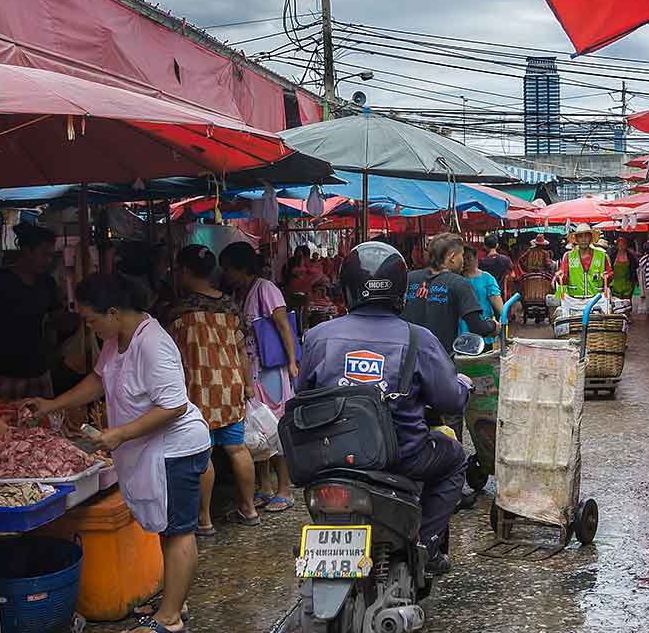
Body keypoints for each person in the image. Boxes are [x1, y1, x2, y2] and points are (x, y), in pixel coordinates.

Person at [26, 273, 213, 633]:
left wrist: (119, 434)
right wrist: (52, 404)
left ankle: (171, 616)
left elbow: (173, 405)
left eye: (92, 318)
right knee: (166, 527)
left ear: (113, 312)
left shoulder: (153, 344)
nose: (89, 326)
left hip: (175, 448)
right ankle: (174, 599)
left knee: (178, 532)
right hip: (151, 450)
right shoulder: (116, 340)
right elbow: (98, 381)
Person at [295, 241, 471, 574]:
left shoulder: (318, 337)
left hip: (328, 456)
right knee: (455, 459)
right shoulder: (418, 339)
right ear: (400, 290)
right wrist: (463, 385)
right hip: (402, 456)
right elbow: (449, 400)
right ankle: (426, 544)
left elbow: (302, 393)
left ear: (347, 289)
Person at [165, 245, 258, 536]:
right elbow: (243, 351)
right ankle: (250, 509)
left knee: (202, 455)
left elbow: (171, 354)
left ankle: (204, 520)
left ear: (186, 272)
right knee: (237, 449)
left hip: (196, 391)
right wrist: (248, 384)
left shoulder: (180, 311)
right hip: (230, 387)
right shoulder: (230, 306)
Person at [218, 241, 297, 513]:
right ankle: (264, 487)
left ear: (241, 268)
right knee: (257, 431)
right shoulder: (241, 293)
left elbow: (283, 324)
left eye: (228, 269)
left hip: (271, 370)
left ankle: (284, 489)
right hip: (251, 371)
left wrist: (292, 362)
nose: (225, 274)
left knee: (276, 429)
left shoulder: (266, 289)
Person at [0, 222, 63, 400]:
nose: (48, 261)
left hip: (37, 370)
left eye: (51, 255)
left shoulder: (47, 283)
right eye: (44, 255)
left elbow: (58, 319)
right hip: (0, 371)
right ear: (26, 251)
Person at [406, 232, 496, 354]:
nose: (463, 260)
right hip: (440, 360)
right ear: (452, 257)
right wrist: (494, 326)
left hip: (408, 358)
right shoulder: (459, 283)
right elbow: (478, 327)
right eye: (462, 255)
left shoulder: (409, 279)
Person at [460, 244, 504, 347]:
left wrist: (503, 317)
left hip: (484, 325)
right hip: (462, 327)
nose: (466, 261)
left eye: (468, 258)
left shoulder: (487, 278)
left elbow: (495, 298)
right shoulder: (456, 279)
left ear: (476, 259)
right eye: (463, 258)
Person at [556, 223, 610, 303]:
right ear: (576, 239)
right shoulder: (568, 256)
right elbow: (564, 277)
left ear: (590, 238)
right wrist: (560, 276)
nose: (583, 239)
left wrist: (607, 276)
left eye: (586, 236)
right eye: (580, 236)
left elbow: (609, 274)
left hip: (597, 299)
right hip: (574, 300)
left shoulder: (602, 256)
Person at [477, 235, 513, 299]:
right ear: (497, 245)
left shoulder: (481, 262)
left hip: (487, 295)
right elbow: (513, 275)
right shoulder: (506, 260)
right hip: (502, 295)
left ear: (485, 246)